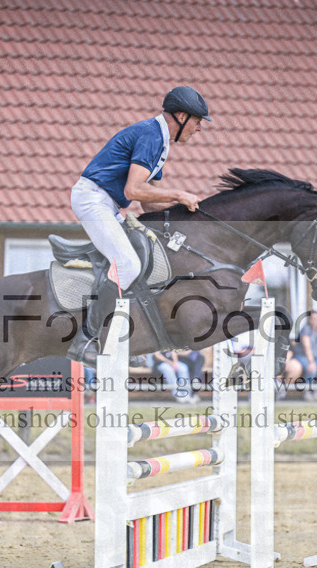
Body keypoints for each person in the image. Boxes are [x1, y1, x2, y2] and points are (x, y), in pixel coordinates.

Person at [66, 86, 210, 366]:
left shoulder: (161, 142)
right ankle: (84, 339)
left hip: (106, 203)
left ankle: (126, 337)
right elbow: (133, 190)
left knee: (146, 261)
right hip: (93, 199)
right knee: (129, 265)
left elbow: (149, 205)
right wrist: (178, 194)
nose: (200, 127)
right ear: (181, 116)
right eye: (197, 120)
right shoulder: (151, 135)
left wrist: (184, 211)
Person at [294, 309, 317, 401]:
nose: (315, 321)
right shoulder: (306, 329)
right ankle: (308, 391)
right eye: (313, 318)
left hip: (316, 357)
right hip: (302, 356)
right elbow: (307, 348)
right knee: (312, 369)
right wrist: (312, 363)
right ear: (309, 320)